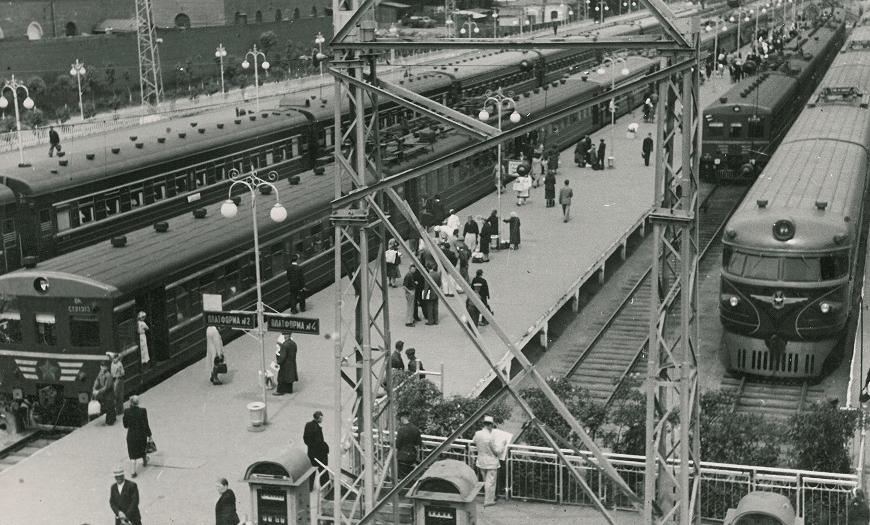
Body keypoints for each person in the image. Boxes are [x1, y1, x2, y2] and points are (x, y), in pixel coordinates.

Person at [473, 416, 504, 506]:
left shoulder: (478, 433)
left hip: (481, 461)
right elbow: (497, 451)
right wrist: (502, 445)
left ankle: (488, 498)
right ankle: (488, 500)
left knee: (485, 481)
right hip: (491, 462)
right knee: (490, 482)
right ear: (490, 425)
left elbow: (474, 441)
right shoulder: (491, 437)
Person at [123, 396, 152, 478]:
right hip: (141, 435)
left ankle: (133, 472)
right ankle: (145, 461)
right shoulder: (143, 411)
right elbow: (146, 424)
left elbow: (125, 425)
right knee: (142, 448)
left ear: (130, 403)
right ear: (138, 402)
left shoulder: (126, 411)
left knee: (132, 454)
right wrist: (149, 435)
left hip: (131, 435)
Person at [304, 411, 329, 489]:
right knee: (323, 471)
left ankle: (310, 487)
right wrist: (326, 448)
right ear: (319, 418)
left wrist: (310, 446)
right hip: (319, 455)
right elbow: (319, 443)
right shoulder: (317, 429)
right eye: (321, 418)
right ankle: (326, 487)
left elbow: (305, 438)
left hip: (311, 453)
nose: (322, 420)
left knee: (311, 471)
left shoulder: (308, 425)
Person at [395, 412, 422, 478]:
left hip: (402, 457)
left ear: (402, 418)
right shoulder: (416, 428)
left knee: (401, 478)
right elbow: (418, 444)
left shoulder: (401, 429)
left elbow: (397, 445)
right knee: (410, 477)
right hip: (412, 457)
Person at [92, 360, 116, 425]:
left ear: (106, 367)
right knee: (108, 405)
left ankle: (110, 421)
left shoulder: (108, 375)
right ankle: (112, 418)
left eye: (104, 366)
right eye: (102, 366)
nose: (102, 368)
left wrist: (98, 391)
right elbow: (97, 380)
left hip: (109, 392)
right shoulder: (100, 373)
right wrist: (94, 387)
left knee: (109, 405)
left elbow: (106, 387)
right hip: (105, 392)